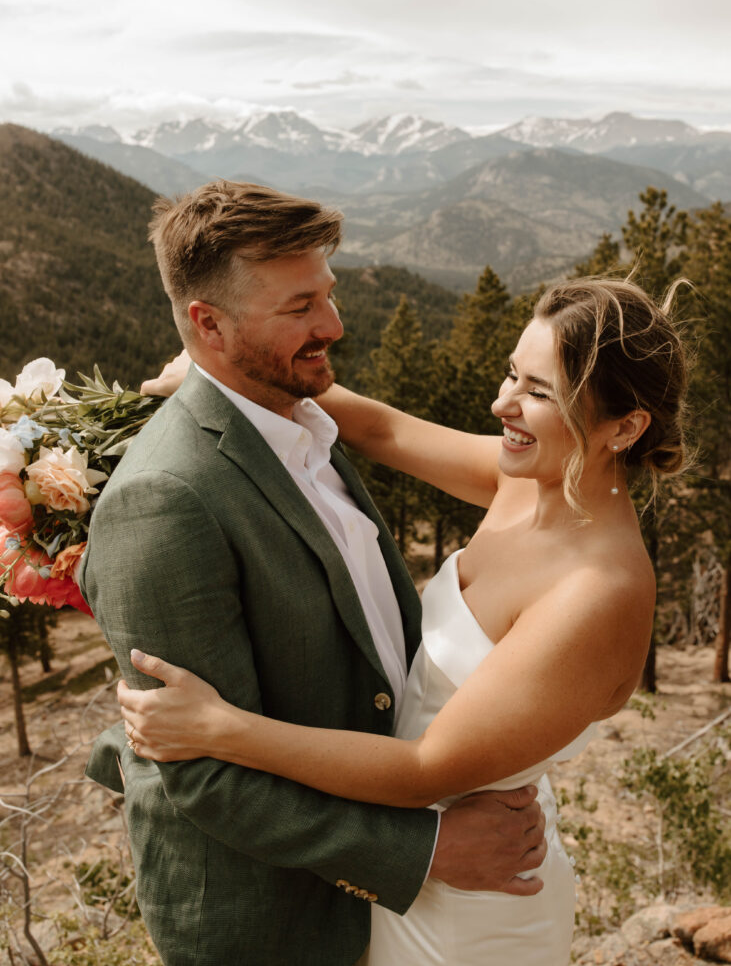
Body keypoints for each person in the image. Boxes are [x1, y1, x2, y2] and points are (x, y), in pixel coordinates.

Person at [117, 276, 689, 966]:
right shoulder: (529, 480)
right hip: (419, 870)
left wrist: (224, 730)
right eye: (512, 373)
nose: (500, 403)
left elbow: (424, 768)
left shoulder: (596, 591)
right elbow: (381, 427)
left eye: (538, 393)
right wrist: (220, 376)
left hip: (476, 907)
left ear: (623, 427)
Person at [80, 180, 547, 966]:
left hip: (389, 900)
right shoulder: (163, 499)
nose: (332, 324)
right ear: (208, 323)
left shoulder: (303, 422)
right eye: (299, 308)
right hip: (275, 926)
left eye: (325, 294)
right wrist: (423, 850)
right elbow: (202, 778)